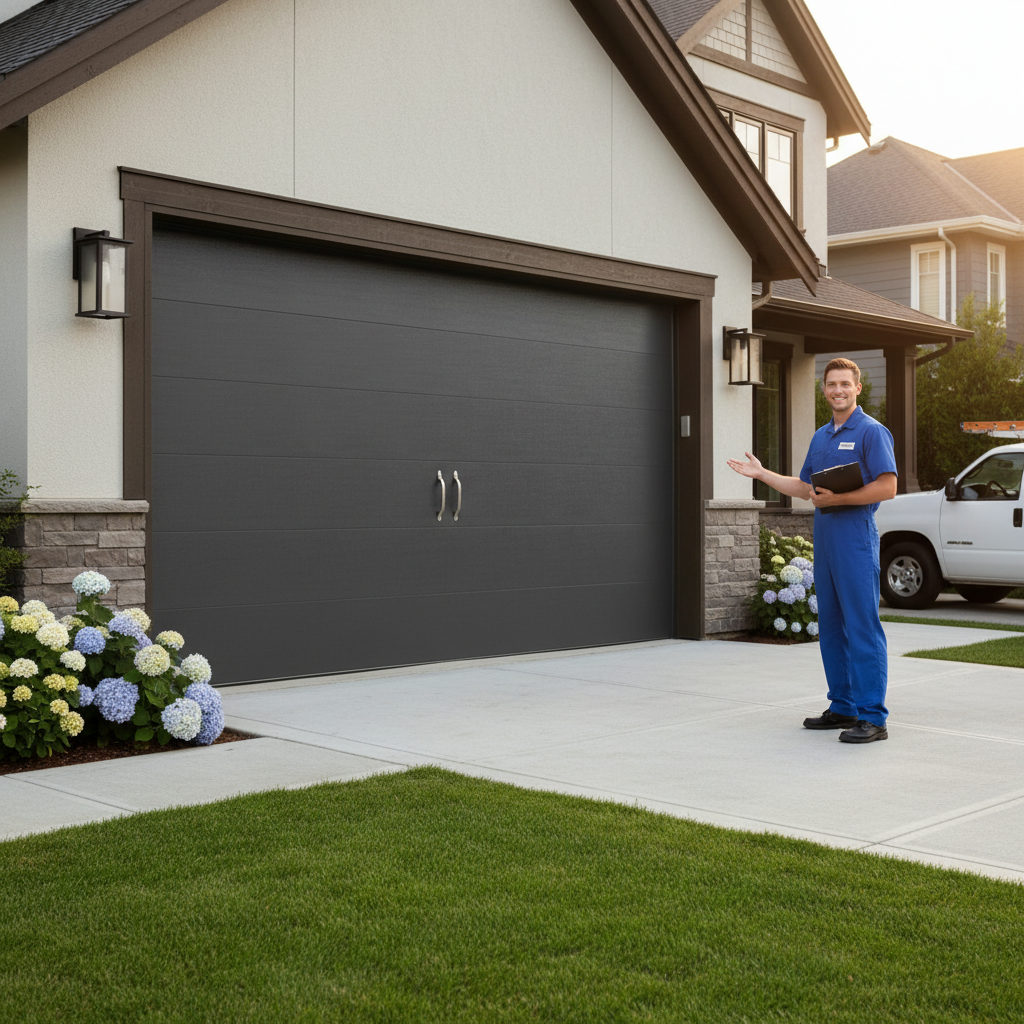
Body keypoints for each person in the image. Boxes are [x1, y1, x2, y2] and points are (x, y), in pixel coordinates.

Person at [727, 357, 898, 744]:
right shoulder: (822, 436)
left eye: (844, 384)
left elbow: (888, 487)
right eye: (831, 384)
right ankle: (843, 706)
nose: (837, 390)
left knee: (862, 628)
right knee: (832, 627)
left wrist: (841, 497)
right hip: (826, 541)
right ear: (824, 390)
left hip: (855, 540)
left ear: (857, 388)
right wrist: (762, 474)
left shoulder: (872, 432)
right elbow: (806, 488)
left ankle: (873, 717)